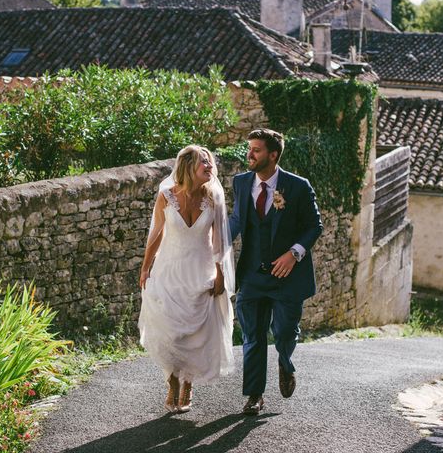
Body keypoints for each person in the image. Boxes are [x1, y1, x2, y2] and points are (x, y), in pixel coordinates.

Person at [229, 128, 323, 415]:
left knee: (283, 332)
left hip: (287, 277)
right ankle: (255, 396)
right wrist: (214, 244)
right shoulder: (242, 182)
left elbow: (314, 226)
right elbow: (236, 220)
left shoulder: (298, 186)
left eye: (256, 150)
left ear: (273, 154)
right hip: (253, 276)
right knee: (253, 336)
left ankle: (285, 361)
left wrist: (294, 254)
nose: (249, 155)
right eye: (250, 149)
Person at [138, 145, 235, 414]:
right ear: (188, 167)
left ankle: (188, 384)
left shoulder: (213, 197)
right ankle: (172, 382)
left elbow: (219, 240)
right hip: (169, 271)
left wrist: (220, 273)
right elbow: (156, 233)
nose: (210, 165)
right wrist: (145, 268)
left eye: (210, 162)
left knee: (195, 332)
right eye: (203, 162)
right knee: (171, 332)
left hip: (200, 271)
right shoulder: (166, 196)